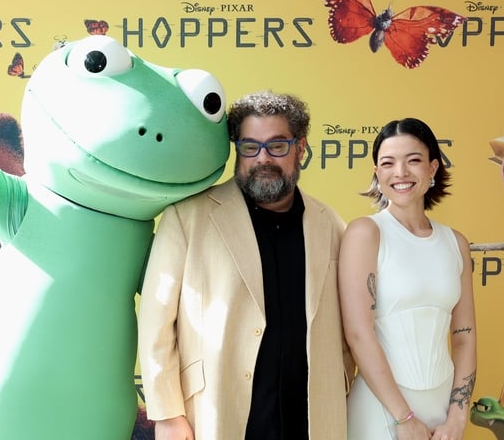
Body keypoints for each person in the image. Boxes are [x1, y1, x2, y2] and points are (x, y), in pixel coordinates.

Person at [138, 90, 354, 440]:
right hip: (219, 411)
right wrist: (167, 415)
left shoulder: (331, 223)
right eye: (250, 146)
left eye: (277, 145)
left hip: (312, 416)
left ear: (300, 148)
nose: (262, 158)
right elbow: (155, 323)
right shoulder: (187, 217)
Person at [339, 118, 477, 440]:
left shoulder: (455, 243)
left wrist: (457, 416)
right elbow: (358, 334)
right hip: (380, 411)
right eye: (388, 163)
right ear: (377, 172)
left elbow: (464, 336)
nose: (400, 172)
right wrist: (404, 417)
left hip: (443, 414)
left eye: (412, 160)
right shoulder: (365, 233)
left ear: (432, 168)